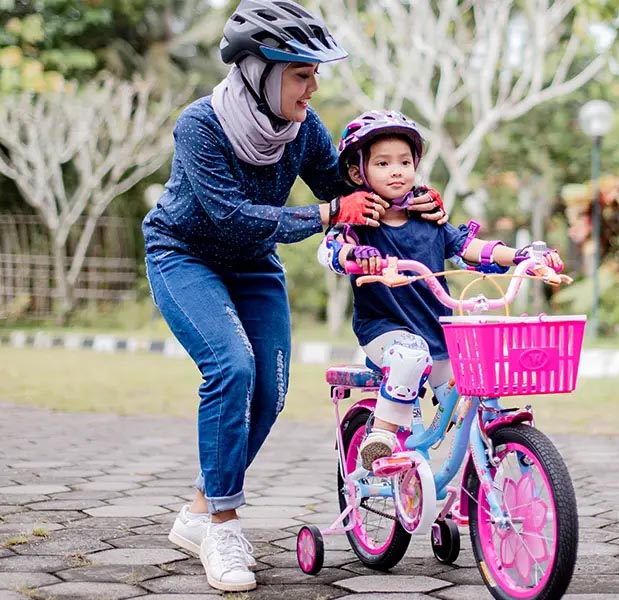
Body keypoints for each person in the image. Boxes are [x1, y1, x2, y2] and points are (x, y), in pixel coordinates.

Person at [142, 1, 446, 593]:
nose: (313, 88)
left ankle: (200, 509)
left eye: (314, 75)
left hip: (254, 264)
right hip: (186, 255)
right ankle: (224, 526)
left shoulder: (304, 130)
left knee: (271, 390)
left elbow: (348, 189)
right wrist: (328, 212)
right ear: (259, 72)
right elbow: (231, 217)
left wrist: (416, 203)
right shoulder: (200, 125)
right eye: (301, 74)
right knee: (232, 366)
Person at [318, 110, 563, 470]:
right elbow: (330, 251)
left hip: (439, 333)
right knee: (410, 354)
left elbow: (470, 247)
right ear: (358, 172)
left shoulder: (430, 220)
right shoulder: (360, 225)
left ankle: (482, 475)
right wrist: (355, 255)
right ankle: (381, 437)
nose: (397, 170)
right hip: (385, 330)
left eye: (405, 161)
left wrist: (519, 255)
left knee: (474, 389)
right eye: (383, 163)